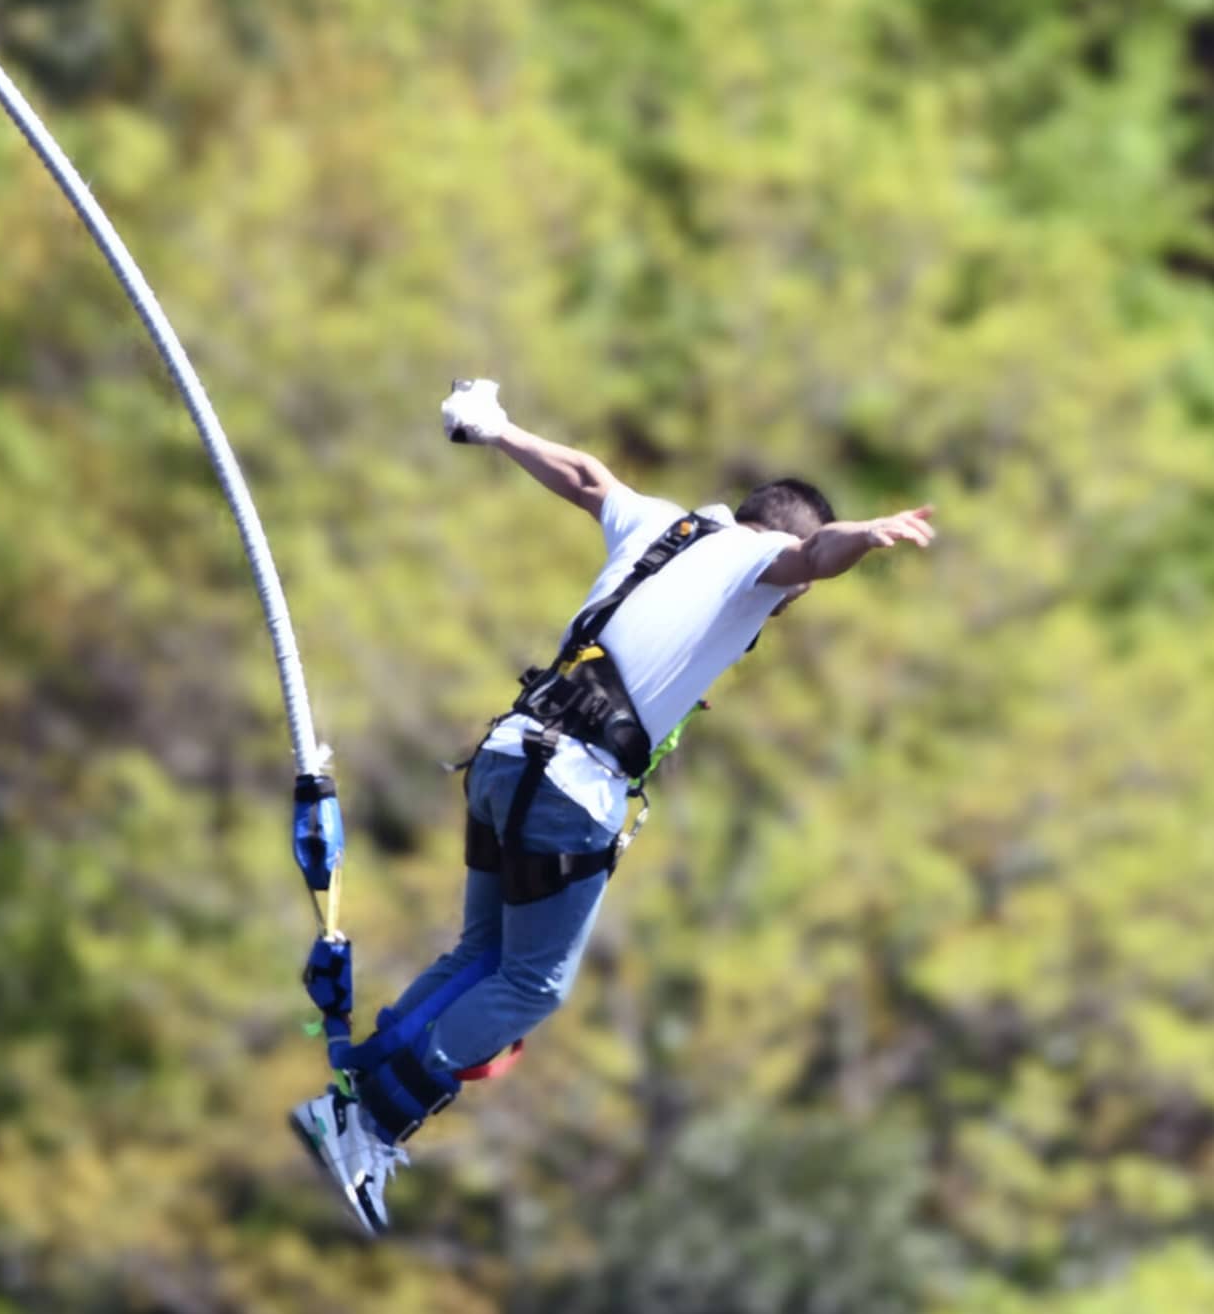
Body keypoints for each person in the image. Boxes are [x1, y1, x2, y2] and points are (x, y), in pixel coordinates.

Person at [291, 380, 935, 1234]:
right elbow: (814, 557)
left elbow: (589, 479)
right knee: (530, 982)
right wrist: (865, 536)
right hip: (570, 787)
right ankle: (369, 1120)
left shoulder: (666, 526)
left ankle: (354, 1095)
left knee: (483, 950)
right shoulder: (762, 564)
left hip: (506, 754)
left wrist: (497, 428)